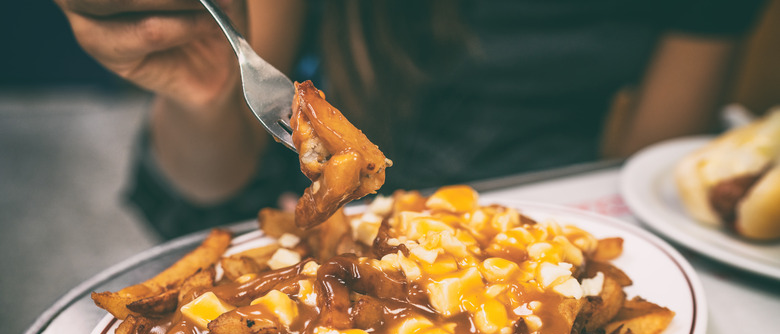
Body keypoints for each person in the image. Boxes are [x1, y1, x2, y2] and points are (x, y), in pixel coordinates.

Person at [53, 0, 767, 239]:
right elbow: (204, 181)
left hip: (548, 217)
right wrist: (201, 85)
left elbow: (658, 171)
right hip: (315, 218)